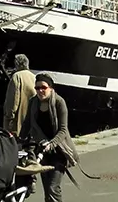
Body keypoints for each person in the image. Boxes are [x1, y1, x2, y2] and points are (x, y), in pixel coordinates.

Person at [20, 73, 78, 202]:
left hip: (59, 151)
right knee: (47, 189)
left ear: (51, 88)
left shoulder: (59, 102)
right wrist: (18, 140)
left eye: (43, 87)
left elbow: (63, 129)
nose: (40, 91)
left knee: (53, 187)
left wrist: (51, 144)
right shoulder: (33, 102)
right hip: (42, 150)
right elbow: (27, 124)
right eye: (37, 88)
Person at [3, 54, 36, 135]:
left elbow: (13, 99)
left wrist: (9, 116)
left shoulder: (17, 76)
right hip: (32, 120)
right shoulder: (34, 77)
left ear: (17, 64)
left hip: (18, 121)